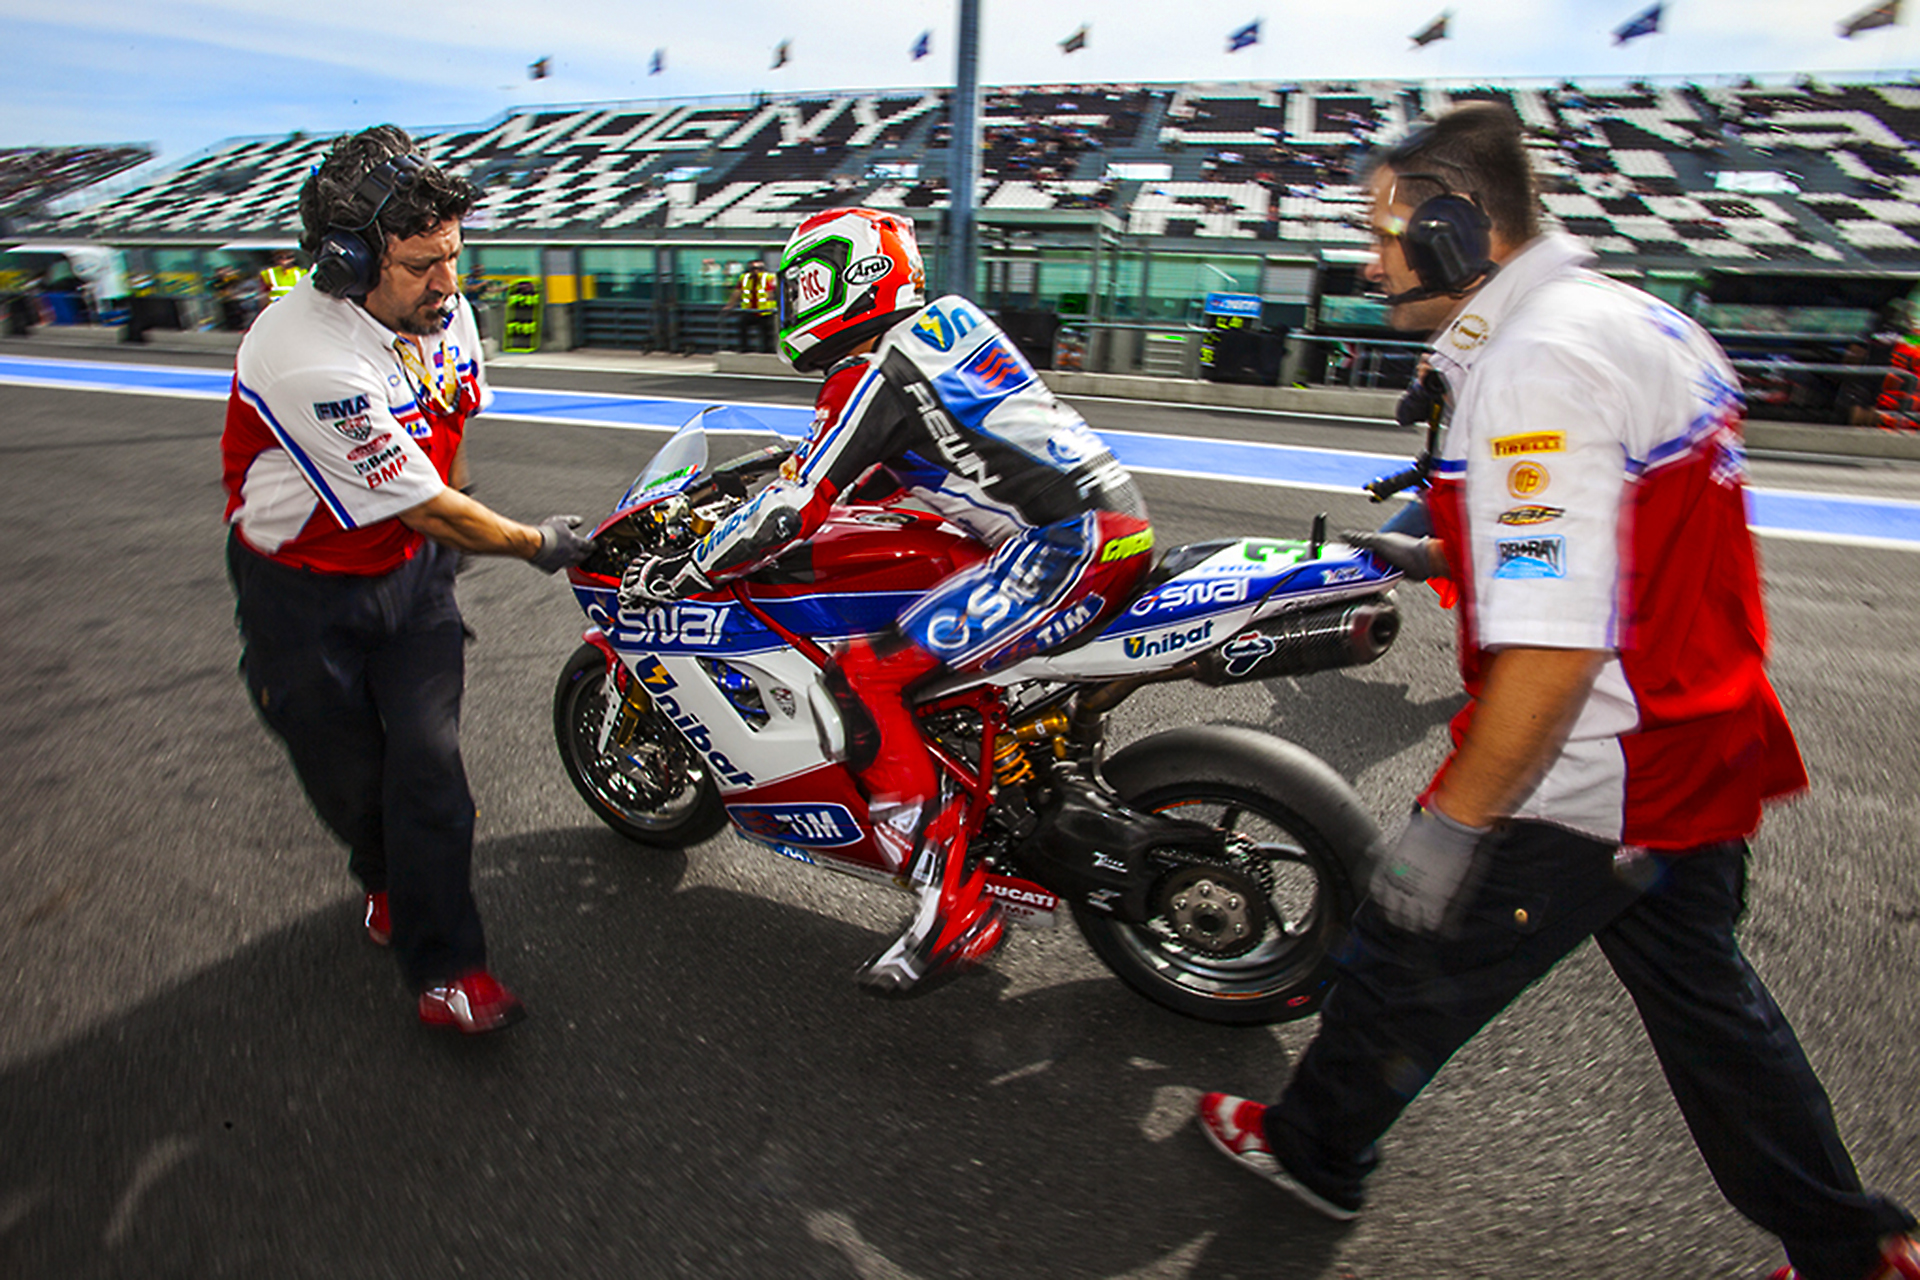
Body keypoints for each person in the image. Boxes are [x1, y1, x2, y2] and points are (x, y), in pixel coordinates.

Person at [1194, 104, 1920, 1280]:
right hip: (1698, 738)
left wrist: (1452, 823)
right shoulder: (1635, 320)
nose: (1369, 261)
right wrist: (1449, 548)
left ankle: (1313, 1148)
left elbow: (1554, 644)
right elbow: (1621, 533)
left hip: (1590, 766)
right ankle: (1856, 1249)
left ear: (1451, 224)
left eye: (1385, 232)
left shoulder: (1538, 361)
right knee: (1713, 1016)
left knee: (1398, 958)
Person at [618, 207, 1153, 996]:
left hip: (1065, 552)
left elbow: (791, 510)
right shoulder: (946, 328)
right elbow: (906, 458)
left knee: (860, 678)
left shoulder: (875, 372)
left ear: (848, 281)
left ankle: (953, 903)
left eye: (801, 284)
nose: (790, 302)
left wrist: (689, 566)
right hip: (1111, 529)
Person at [220, 125, 595, 1035]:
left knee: (427, 769)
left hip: (413, 572)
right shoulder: (306, 352)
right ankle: (380, 876)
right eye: (424, 263)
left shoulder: (445, 315)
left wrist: (456, 531)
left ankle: (447, 971)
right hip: (302, 593)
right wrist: (531, 540)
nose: (450, 284)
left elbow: (445, 441)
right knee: (352, 778)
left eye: (455, 256)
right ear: (349, 263)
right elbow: (419, 501)